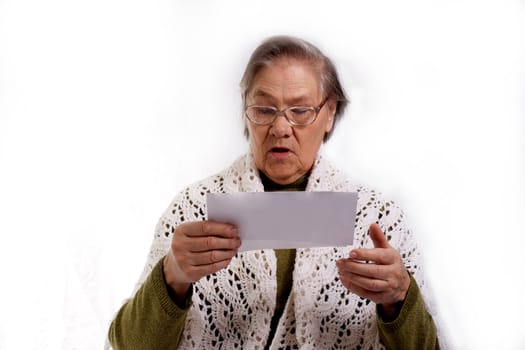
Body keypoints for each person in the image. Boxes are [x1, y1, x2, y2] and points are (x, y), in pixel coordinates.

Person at [108, 35, 441, 349]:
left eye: (300, 111)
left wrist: (400, 298)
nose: (280, 128)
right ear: (246, 111)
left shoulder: (378, 218)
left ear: (330, 114)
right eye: (265, 110)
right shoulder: (193, 209)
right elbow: (127, 344)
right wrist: (172, 277)